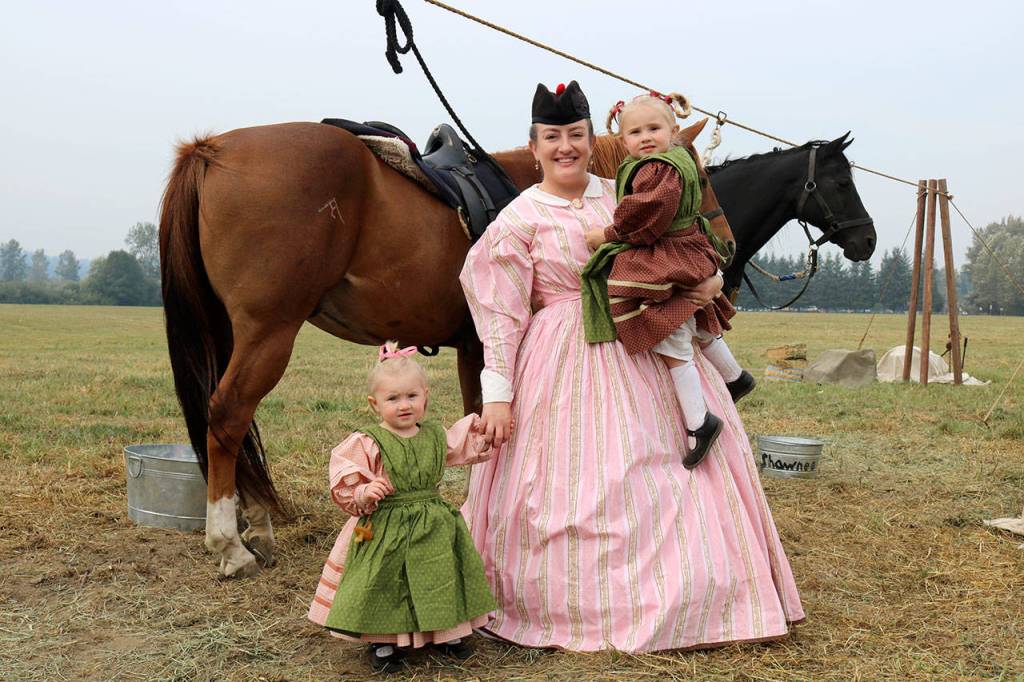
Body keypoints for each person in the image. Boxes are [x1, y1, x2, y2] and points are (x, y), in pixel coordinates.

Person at [459, 80, 804, 652]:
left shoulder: (629, 189)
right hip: (562, 357)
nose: (565, 146)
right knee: (577, 480)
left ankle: (696, 592)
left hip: (648, 335)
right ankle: (569, 601)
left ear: (594, 141)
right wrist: (497, 393)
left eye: (575, 135)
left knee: (668, 466)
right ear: (535, 144)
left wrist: (709, 280)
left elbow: (686, 237)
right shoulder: (518, 220)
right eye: (552, 137)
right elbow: (500, 315)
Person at [580, 93, 756, 470]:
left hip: (669, 253)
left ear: (674, 132)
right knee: (695, 317)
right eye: (636, 132)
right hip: (689, 248)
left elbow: (646, 215)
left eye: (654, 129)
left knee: (671, 335)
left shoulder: (657, 168)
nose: (645, 138)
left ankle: (699, 422)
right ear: (621, 139)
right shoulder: (675, 162)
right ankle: (734, 376)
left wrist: (608, 235)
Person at [307, 342, 496, 672]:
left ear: (425, 395)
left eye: (411, 396)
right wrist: (365, 491)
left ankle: (448, 631)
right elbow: (346, 481)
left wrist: (488, 432)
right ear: (375, 403)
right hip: (385, 526)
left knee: (439, 576)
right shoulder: (368, 442)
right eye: (393, 398)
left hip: (433, 523)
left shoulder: (435, 435)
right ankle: (384, 641)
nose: (404, 405)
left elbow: (462, 446)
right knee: (387, 581)